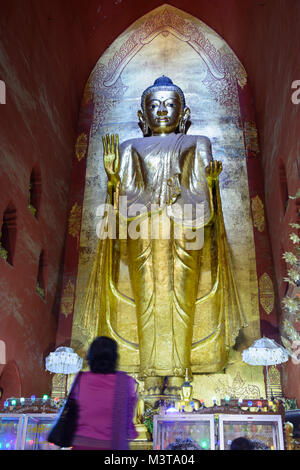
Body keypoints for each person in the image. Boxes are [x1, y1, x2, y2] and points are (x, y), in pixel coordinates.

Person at [78, 76, 247, 396]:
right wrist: (113, 180)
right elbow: (126, 198)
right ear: (143, 116)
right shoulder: (130, 147)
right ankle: (150, 372)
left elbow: (199, 193)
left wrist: (210, 183)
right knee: (148, 300)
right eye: (154, 106)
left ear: (184, 113)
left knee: (182, 300)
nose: (162, 111)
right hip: (143, 231)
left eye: (171, 104)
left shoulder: (197, 142)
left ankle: (181, 371)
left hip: (185, 229)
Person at [70, 336, 138, 450]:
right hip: (113, 445)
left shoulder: (80, 379)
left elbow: (72, 414)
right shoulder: (125, 381)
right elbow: (128, 418)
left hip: (82, 444)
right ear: (115, 357)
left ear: (90, 356)